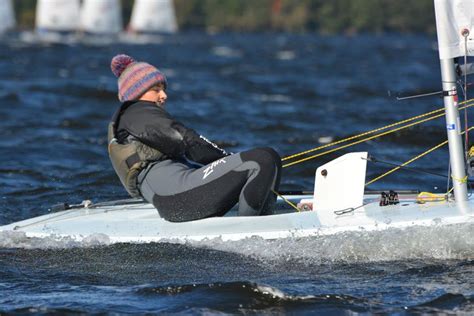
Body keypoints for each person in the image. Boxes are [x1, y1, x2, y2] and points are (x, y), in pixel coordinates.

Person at [108, 54, 282, 222]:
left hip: (178, 197)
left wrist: (231, 165)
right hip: (178, 199)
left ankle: (264, 221)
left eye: (164, 89)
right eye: (156, 90)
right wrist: (230, 161)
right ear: (136, 92)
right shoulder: (136, 112)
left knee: (271, 160)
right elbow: (186, 140)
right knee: (261, 160)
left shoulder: (134, 119)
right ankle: (250, 232)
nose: (164, 95)